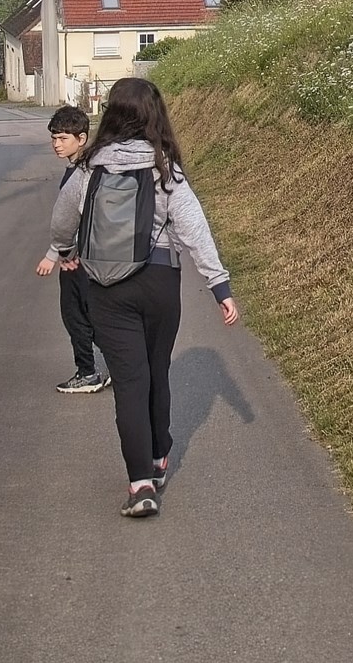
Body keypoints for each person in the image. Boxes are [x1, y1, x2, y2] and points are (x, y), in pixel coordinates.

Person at [35, 75, 236, 517]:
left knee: (129, 382)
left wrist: (64, 250)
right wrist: (219, 285)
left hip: (107, 287)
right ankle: (160, 454)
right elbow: (194, 230)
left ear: (110, 114)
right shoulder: (165, 167)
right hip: (160, 281)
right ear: (153, 114)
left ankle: (140, 484)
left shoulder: (90, 166)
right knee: (157, 369)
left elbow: (62, 219)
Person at [45, 105, 108, 395]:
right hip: (88, 255)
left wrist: (64, 253)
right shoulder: (85, 167)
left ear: (82, 138)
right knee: (91, 315)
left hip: (79, 258)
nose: (57, 145)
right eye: (54, 139)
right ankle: (122, 365)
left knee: (76, 316)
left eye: (63, 139)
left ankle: (88, 373)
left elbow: (77, 218)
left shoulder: (83, 171)